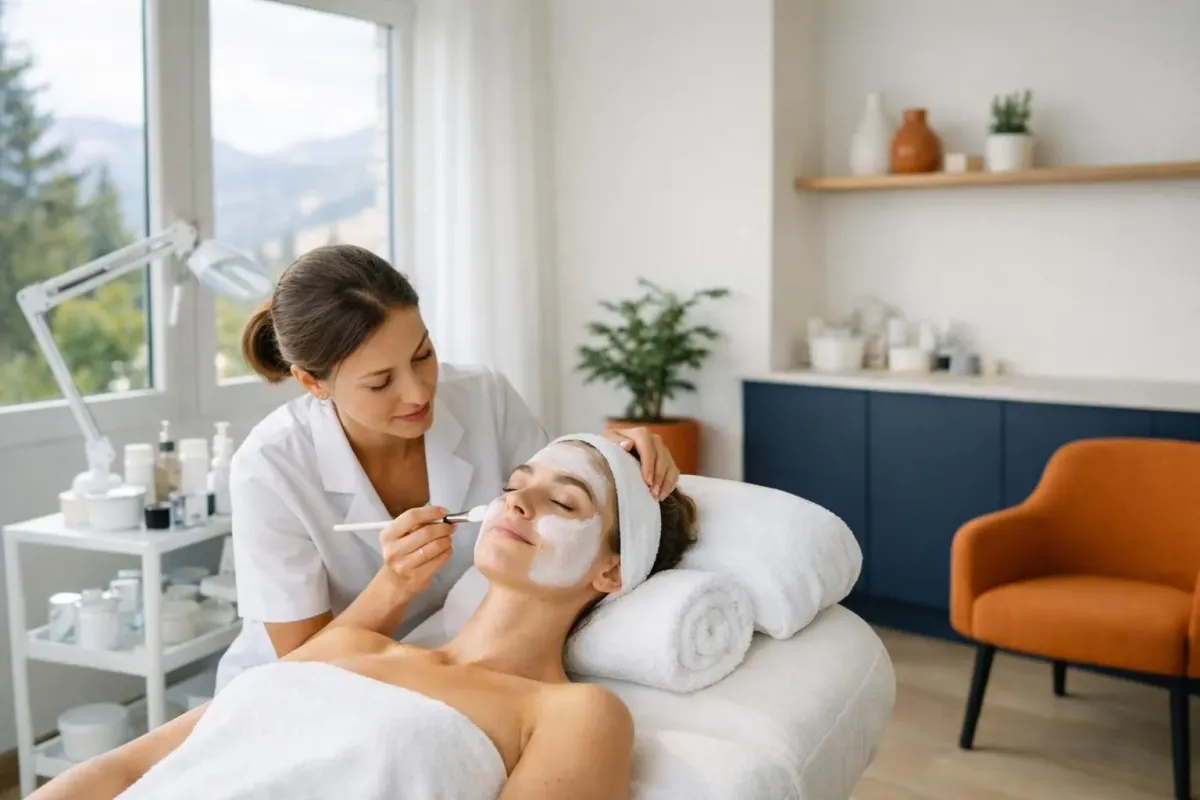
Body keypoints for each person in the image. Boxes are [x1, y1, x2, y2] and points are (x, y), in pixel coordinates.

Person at [31, 436, 699, 800]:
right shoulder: (353, 641)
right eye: (515, 484)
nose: (520, 503)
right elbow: (135, 764)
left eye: (565, 502)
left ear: (611, 571)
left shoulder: (570, 714)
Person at [214, 244, 681, 692]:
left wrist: (618, 457)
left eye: (423, 355)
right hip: (300, 689)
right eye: (381, 382)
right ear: (312, 383)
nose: (419, 393)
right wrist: (393, 587)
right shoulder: (270, 468)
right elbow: (297, 667)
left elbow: (556, 489)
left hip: (442, 665)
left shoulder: (484, 396)